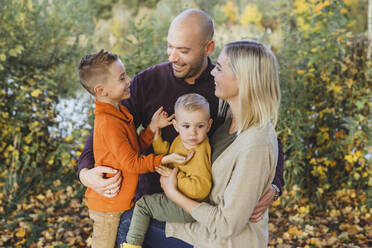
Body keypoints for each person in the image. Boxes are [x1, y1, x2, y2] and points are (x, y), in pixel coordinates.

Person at [77, 9, 284, 247]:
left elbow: (264, 140)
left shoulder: (223, 88)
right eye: (170, 47)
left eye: (183, 51)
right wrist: (85, 173)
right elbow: (104, 130)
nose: (172, 57)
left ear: (208, 48)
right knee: (126, 223)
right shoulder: (148, 82)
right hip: (152, 197)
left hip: (200, 205)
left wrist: (274, 185)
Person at [160, 39, 281, 247]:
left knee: (126, 223)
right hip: (201, 228)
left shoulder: (256, 142)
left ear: (243, 79)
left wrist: (174, 194)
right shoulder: (228, 119)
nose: (213, 74)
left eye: (219, 68)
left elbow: (226, 226)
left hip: (220, 241)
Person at [77, 50, 192, 248]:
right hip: (109, 207)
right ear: (101, 90)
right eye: (122, 78)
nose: (129, 80)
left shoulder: (119, 112)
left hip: (123, 201)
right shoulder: (109, 123)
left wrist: (152, 128)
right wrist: (162, 159)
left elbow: (132, 150)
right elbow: (132, 163)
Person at [122, 93, 213, 248]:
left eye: (200, 126)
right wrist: (157, 138)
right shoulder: (183, 140)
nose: (193, 132)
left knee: (144, 205)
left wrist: (174, 177)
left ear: (209, 125)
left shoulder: (199, 150)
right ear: (176, 126)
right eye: (186, 126)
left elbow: (201, 189)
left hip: (189, 206)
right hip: (178, 198)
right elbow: (170, 154)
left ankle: (132, 245)